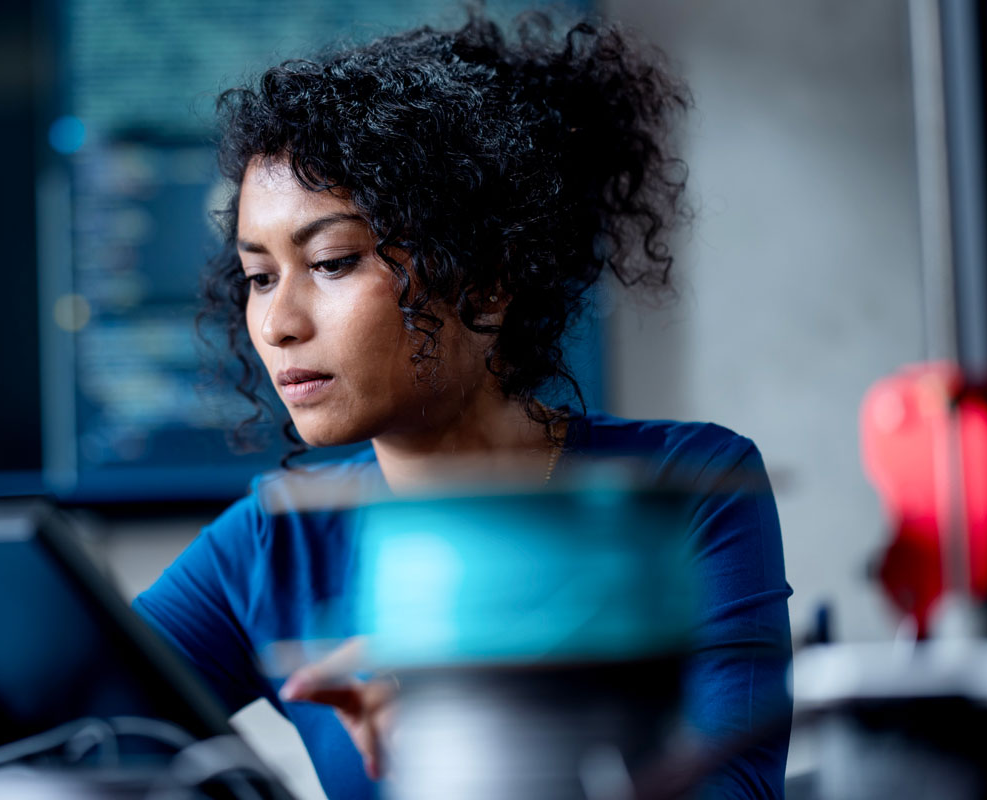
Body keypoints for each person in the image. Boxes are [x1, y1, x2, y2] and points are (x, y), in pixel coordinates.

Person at [134, 9, 791, 799]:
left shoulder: (688, 490)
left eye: (333, 262)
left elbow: (735, 791)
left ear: (483, 279)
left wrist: (477, 728)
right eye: (260, 277)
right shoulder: (272, 544)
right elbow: (47, 727)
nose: (278, 324)